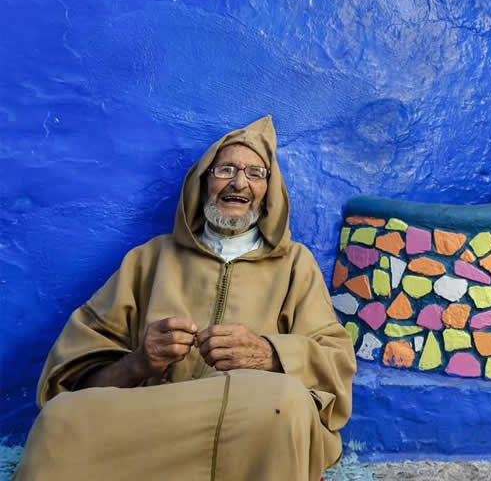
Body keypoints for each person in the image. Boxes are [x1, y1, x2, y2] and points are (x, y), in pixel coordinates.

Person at [13, 115, 356, 481]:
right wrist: (140, 363)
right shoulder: (149, 259)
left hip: (253, 425)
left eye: (255, 173)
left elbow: (334, 366)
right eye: (225, 170)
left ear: (269, 190)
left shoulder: (295, 266)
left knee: (284, 402)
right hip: (158, 422)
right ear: (202, 181)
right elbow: (70, 380)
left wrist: (269, 354)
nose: (239, 182)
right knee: (59, 419)